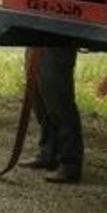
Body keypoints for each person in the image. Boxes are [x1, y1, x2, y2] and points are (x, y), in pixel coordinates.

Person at [20, 47, 84, 184]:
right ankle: (48, 154)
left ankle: (70, 163)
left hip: (58, 39)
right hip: (38, 36)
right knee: (39, 98)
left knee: (58, 100)